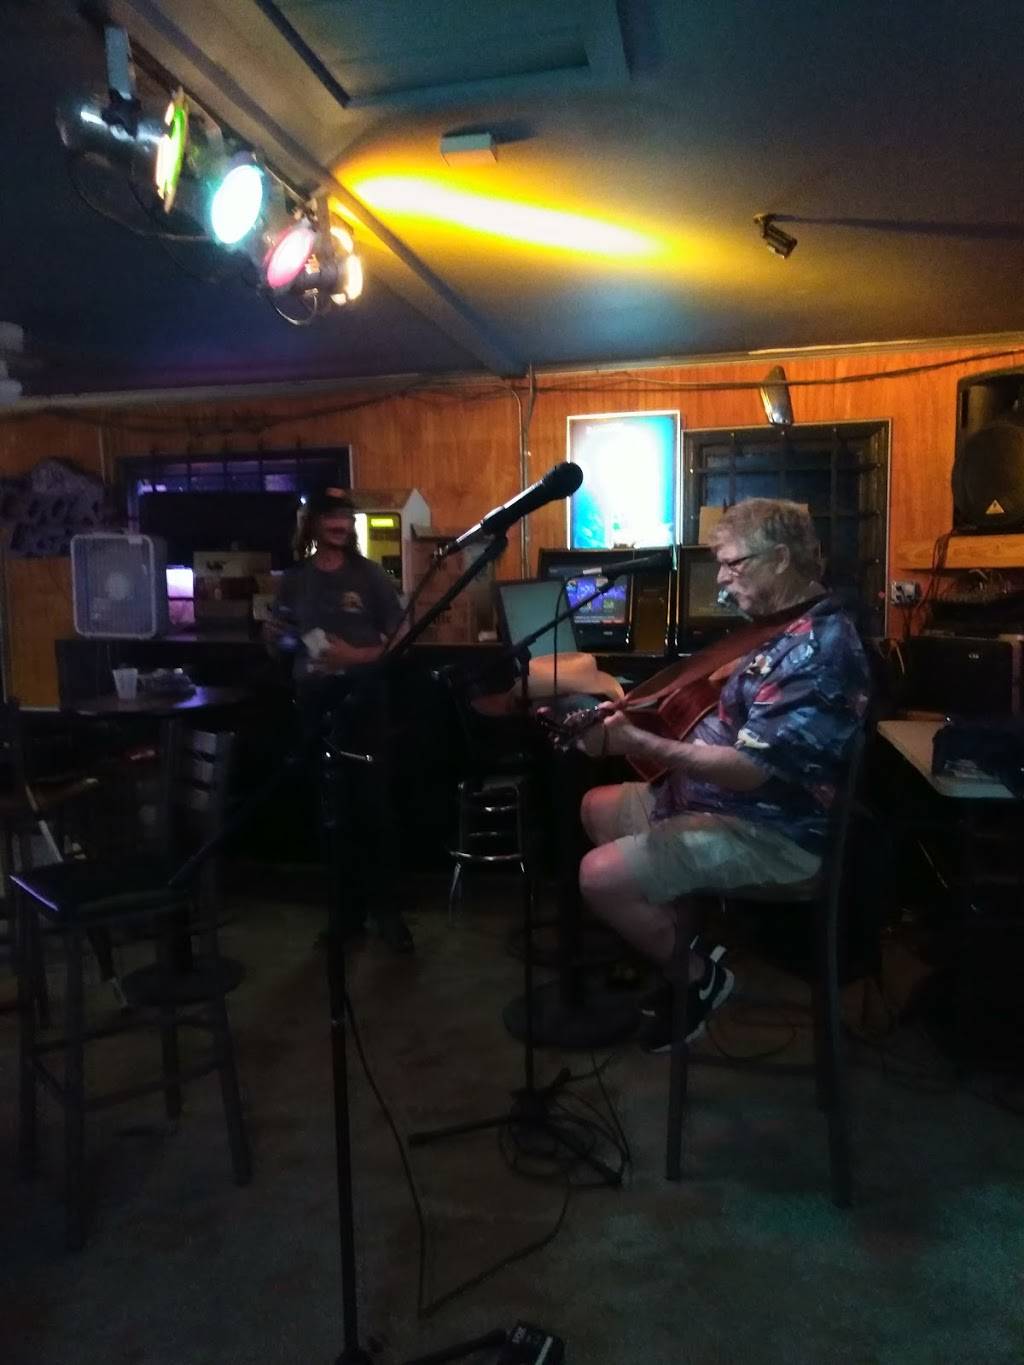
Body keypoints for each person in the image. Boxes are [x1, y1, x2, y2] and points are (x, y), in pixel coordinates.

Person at [576, 498, 870, 1051]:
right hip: (720, 803)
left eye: (734, 564)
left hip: (774, 833)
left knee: (598, 877)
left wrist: (639, 742)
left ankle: (697, 978)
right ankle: (676, 942)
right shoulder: (780, 626)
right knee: (596, 806)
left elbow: (752, 771)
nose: (721, 580)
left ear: (780, 558)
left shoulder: (816, 651)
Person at [266, 486, 414, 954]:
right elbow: (283, 640)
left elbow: (402, 636)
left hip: (363, 704)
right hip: (314, 706)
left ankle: (389, 916)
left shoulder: (369, 576)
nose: (340, 524)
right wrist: (272, 637)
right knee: (332, 816)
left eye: (346, 516)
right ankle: (344, 917)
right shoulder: (295, 580)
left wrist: (356, 657)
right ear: (313, 522)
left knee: (374, 811)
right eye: (331, 516)